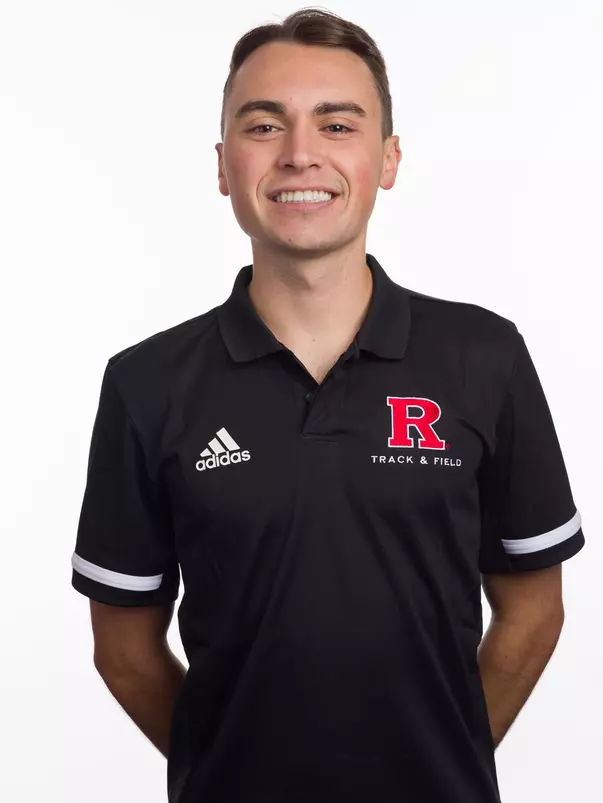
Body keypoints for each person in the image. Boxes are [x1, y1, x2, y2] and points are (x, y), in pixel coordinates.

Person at [70, 7, 585, 803]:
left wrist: (441, 756)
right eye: (264, 124)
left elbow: (533, 610)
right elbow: (124, 647)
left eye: (336, 124)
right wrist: (223, 765)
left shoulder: (485, 357)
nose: (300, 154)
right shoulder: (147, 383)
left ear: (387, 158)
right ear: (222, 164)